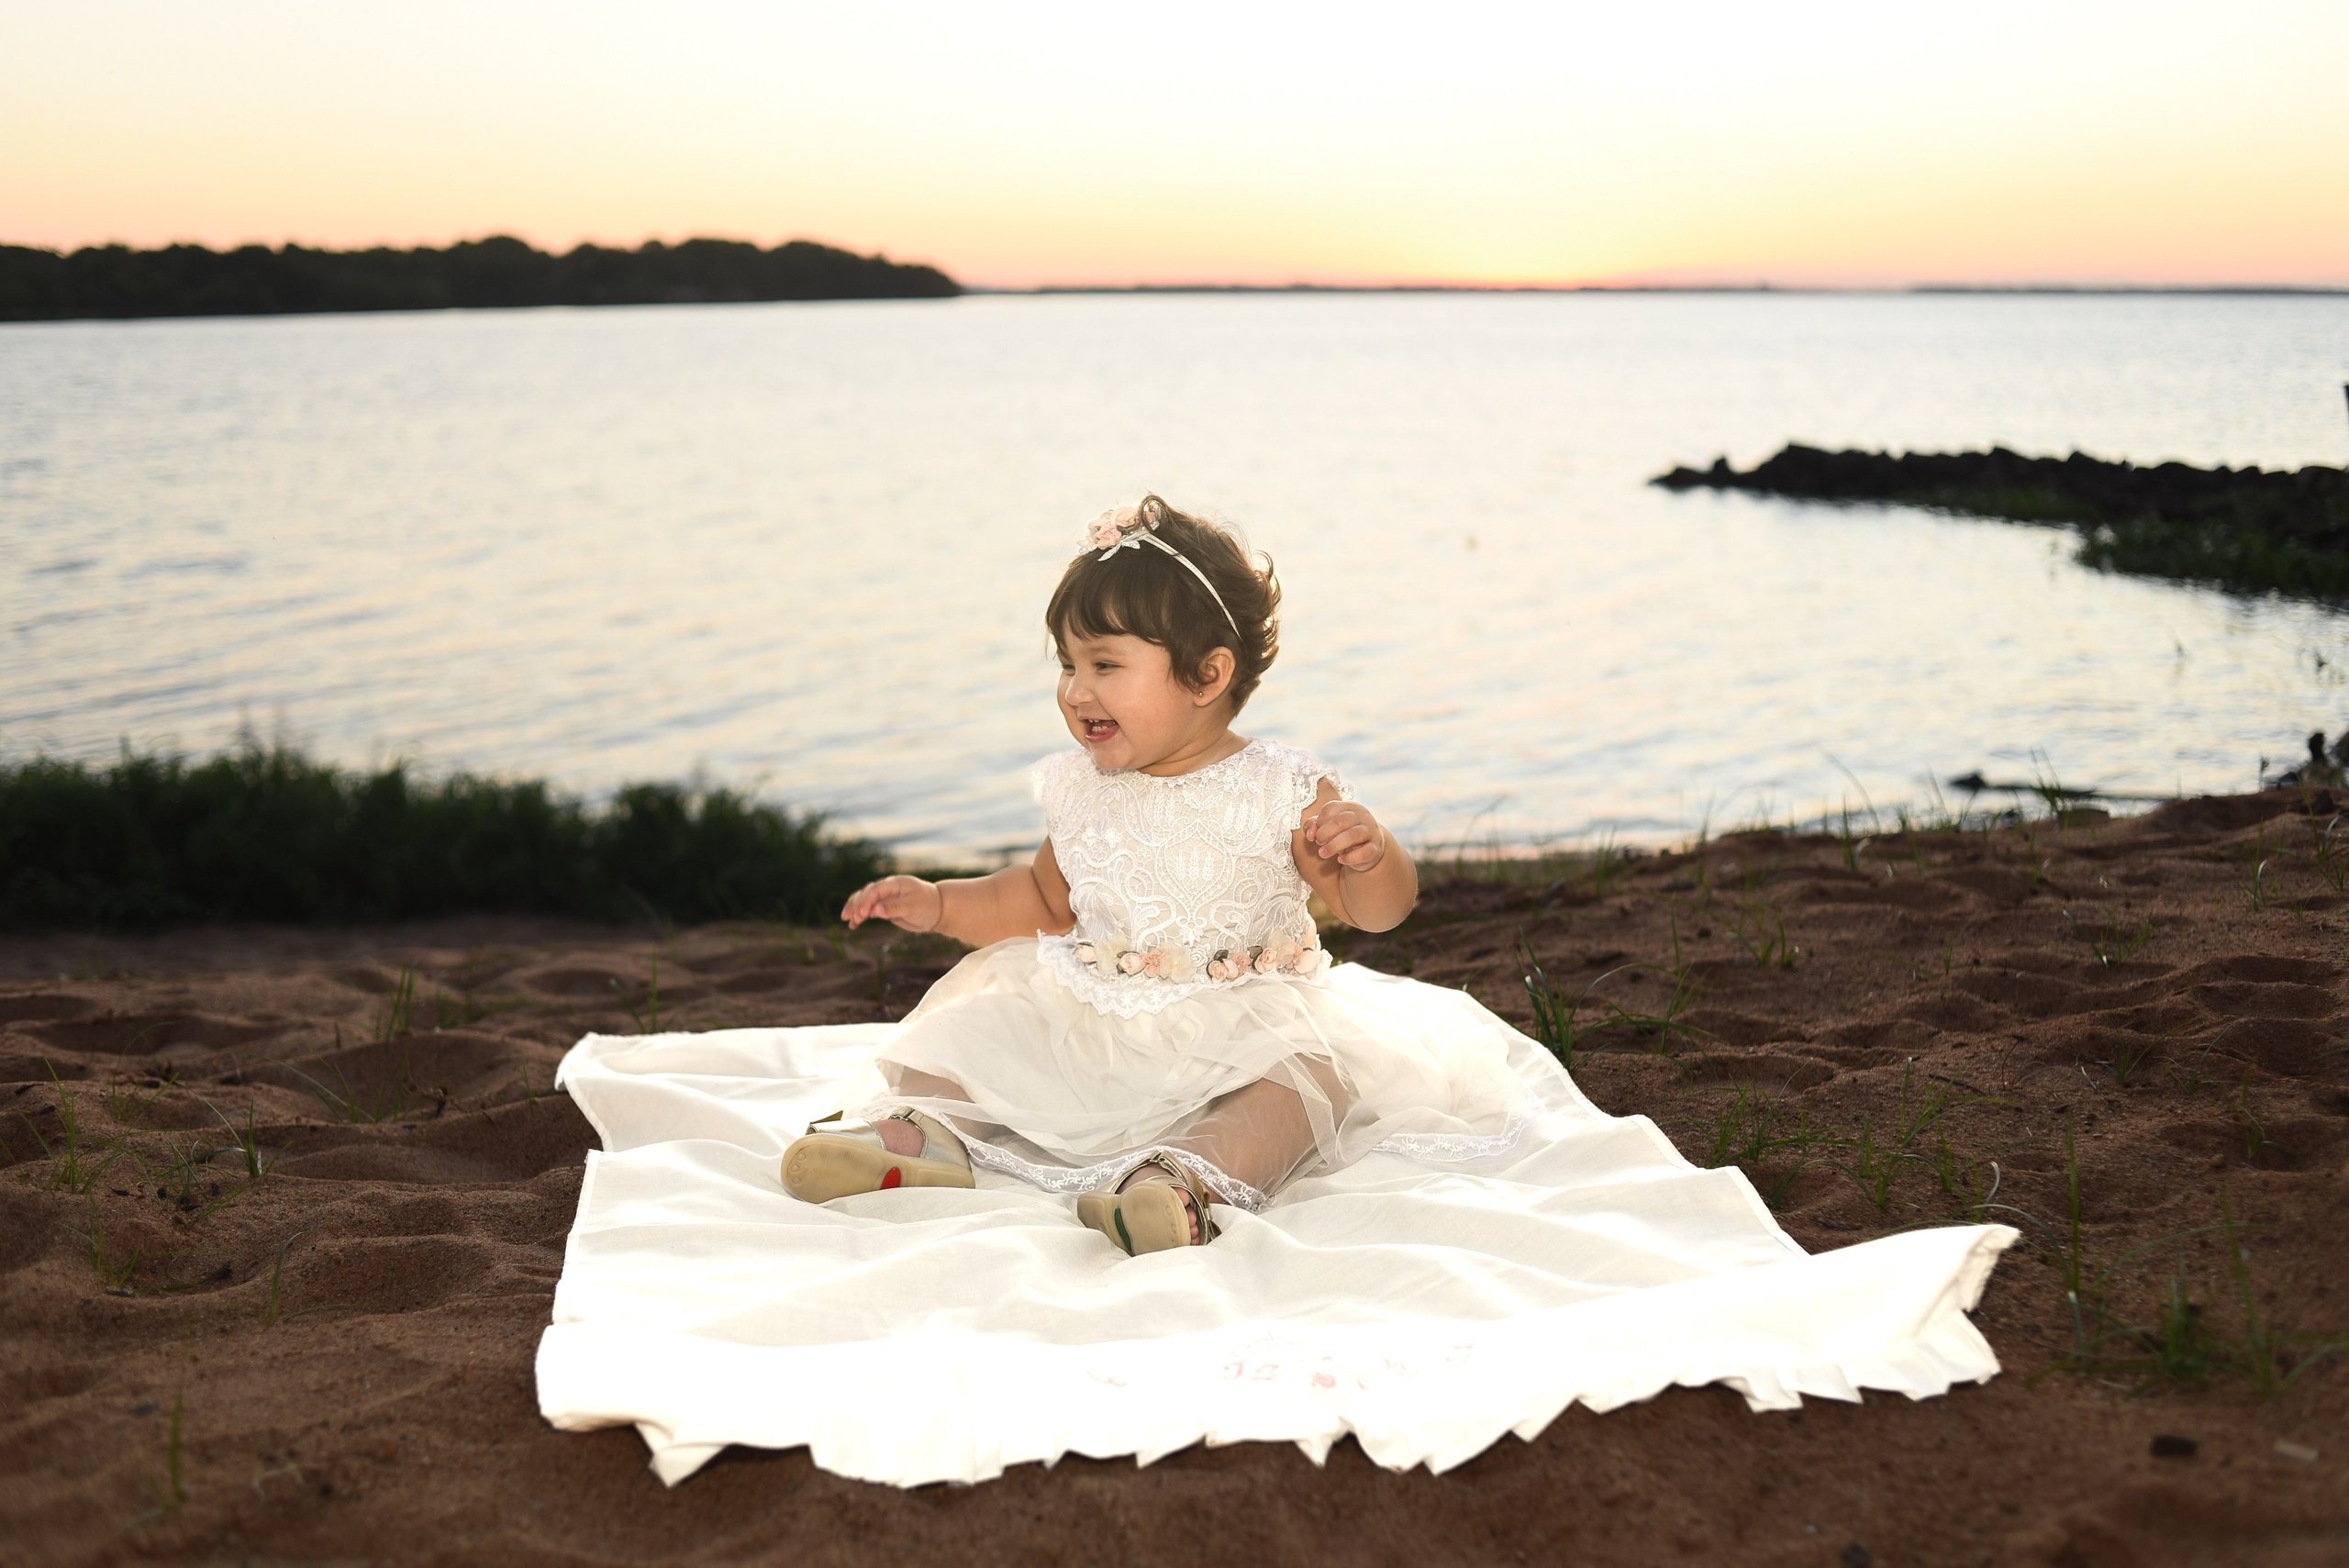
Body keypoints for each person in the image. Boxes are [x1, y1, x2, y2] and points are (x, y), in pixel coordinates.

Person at [780, 495, 1531, 1254]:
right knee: (975, 1030)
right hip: (1096, 1022)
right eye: (1068, 664)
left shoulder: (1279, 787)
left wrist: (1374, 856)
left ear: (1207, 675)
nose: (1075, 689)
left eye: (1105, 664)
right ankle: (916, 1139)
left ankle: (1184, 1182)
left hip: (1242, 1027)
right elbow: (1040, 898)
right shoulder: (1082, 788)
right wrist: (941, 902)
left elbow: (1378, 911)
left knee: (1308, 1082)